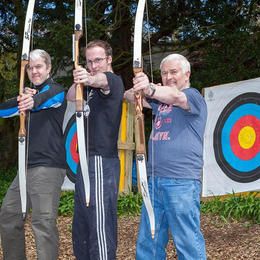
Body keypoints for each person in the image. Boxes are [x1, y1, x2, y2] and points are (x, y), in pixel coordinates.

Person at [124, 53, 207, 259]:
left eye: (174, 72)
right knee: (148, 240)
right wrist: (140, 86)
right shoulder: (159, 103)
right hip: (154, 181)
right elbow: (127, 96)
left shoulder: (193, 96)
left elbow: (177, 97)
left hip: (181, 181)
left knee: (187, 240)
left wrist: (150, 89)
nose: (169, 76)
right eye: (164, 72)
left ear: (187, 73)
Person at [0, 49, 67, 260]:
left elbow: (48, 99)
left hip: (48, 166)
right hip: (26, 167)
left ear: (48, 68)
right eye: (30, 67)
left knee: (43, 222)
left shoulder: (56, 90)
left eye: (38, 66)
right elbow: (3, 110)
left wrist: (32, 100)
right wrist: (23, 98)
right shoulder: (28, 95)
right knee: (9, 215)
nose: (34, 71)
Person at [66, 40, 124, 260]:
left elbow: (102, 80)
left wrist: (88, 78)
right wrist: (81, 79)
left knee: (100, 222)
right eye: (89, 61)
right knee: (82, 221)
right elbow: (71, 96)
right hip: (86, 160)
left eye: (98, 60)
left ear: (109, 59)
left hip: (101, 161)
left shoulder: (113, 81)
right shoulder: (88, 86)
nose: (93, 65)